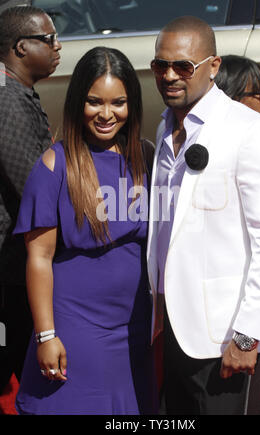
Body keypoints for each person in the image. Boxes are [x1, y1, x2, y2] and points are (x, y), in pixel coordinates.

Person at [147, 16, 260, 415]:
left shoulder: (250, 132)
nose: (170, 76)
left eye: (183, 66)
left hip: (225, 336)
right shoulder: (164, 129)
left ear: (213, 66)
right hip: (174, 330)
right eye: (161, 66)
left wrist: (247, 337)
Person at [13, 46, 157, 415]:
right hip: (75, 327)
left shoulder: (146, 157)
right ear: (78, 101)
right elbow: (39, 258)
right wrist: (47, 334)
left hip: (133, 326)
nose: (107, 114)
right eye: (95, 102)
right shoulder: (53, 165)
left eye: (118, 103)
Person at [215, 54, 260, 415]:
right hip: (206, 341)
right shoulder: (185, 141)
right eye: (258, 92)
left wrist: (245, 338)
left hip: (249, 344)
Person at [0, 6, 61, 395]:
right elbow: (33, 190)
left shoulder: (14, 92)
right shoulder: (8, 101)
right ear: (21, 47)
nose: (58, 47)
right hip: (8, 270)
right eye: (49, 39)